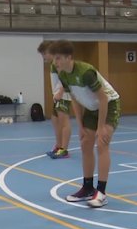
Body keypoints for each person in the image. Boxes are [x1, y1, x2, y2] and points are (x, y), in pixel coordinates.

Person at [49, 40, 121, 208]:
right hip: (91, 107)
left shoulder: (86, 71)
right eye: (54, 59)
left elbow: (103, 98)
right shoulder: (64, 75)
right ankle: (87, 187)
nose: (55, 62)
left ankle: (101, 193)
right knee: (85, 143)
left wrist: (101, 127)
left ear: (69, 57)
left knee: (102, 143)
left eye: (58, 58)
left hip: (109, 105)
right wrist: (80, 126)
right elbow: (75, 98)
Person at [38, 40, 72, 158]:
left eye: (44, 54)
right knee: (55, 120)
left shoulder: (57, 64)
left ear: (49, 52)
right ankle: (58, 145)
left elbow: (66, 77)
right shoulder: (53, 64)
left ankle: (64, 149)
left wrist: (60, 92)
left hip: (63, 96)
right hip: (57, 96)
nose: (43, 57)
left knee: (64, 123)